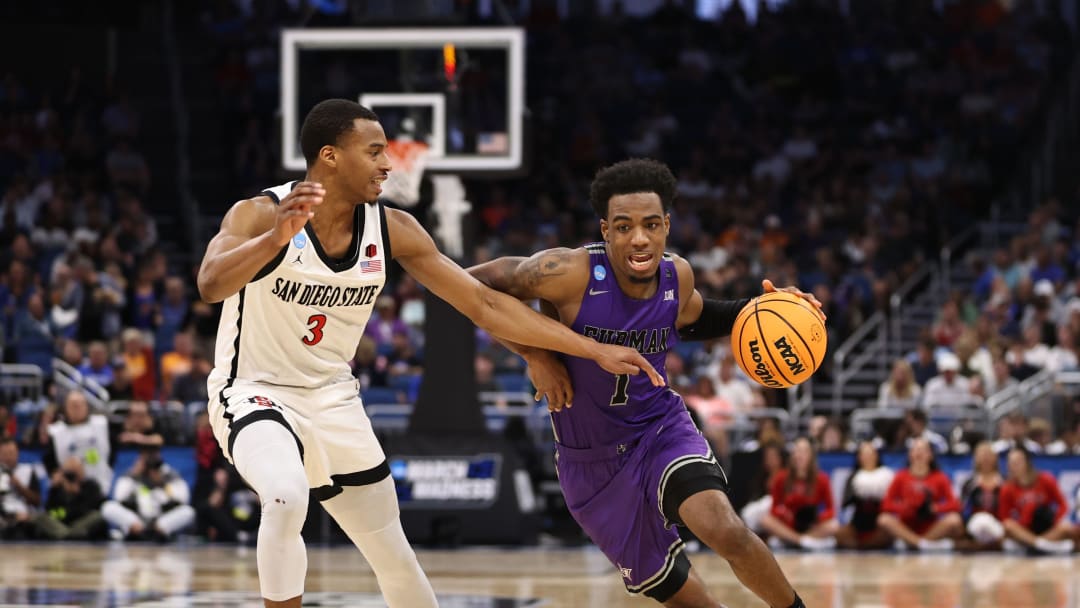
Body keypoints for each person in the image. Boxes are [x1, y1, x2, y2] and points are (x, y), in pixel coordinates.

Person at [195, 99, 662, 608]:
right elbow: (210, 284)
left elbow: (481, 301)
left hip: (332, 399)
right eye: (373, 152)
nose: (388, 164)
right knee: (285, 497)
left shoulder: (394, 229)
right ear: (329, 156)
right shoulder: (259, 213)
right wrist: (274, 240)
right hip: (253, 391)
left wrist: (588, 350)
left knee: (393, 554)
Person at [467, 159, 818, 607]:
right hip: (589, 462)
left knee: (725, 529)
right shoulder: (566, 272)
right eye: (624, 226)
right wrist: (535, 355)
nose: (639, 238)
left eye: (651, 225)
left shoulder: (677, 276)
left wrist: (773, 307)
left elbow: (698, 317)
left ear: (666, 227)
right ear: (605, 230)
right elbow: (473, 288)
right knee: (686, 598)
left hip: (659, 430)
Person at [878, 438, 963, 551]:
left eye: (923, 450)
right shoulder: (901, 476)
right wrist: (902, 508)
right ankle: (921, 544)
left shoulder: (940, 477)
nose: (919, 453)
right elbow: (886, 504)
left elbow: (955, 504)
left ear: (930, 455)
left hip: (931, 526)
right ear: (910, 454)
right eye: (916, 449)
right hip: (906, 525)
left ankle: (914, 543)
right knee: (884, 519)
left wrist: (936, 508)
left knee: (954, 519)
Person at [759, 437, 838, 551]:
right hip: (788, 523)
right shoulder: (781, 478)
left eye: (804, 451)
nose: (800, 455)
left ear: (811, 455)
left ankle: (791, 541)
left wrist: (819, 518)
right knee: (765, 520)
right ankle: (802, 541)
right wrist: (785, 514)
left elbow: (831, 509)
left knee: (833, 525)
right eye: (797, 451)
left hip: (811, 525)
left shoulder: (822, 479)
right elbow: (774, 508)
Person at [102, 447, 195, 541]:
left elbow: (183, 499)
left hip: (161, 518)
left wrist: (162, 484)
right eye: (146, 455)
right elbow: (119, 497)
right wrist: (135, 475)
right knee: (108, 507)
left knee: (188, 512)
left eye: (153, 454)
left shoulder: (168, 473)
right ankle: (139, 531)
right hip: (138, 518)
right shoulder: (132, 473)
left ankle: (158, 531)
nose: (150, 458)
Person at [998, 446, 1076, 554]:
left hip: (1047, 528)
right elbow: (1005, 517)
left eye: (1017, 462)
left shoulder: (1045, 479)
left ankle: (1033, 546)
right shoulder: (1007, 488)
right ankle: (1043, 546)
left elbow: (1063, 504)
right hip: (1024, 530)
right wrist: (1022, 522)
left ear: (1027, 462)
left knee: (1066, 528)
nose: (1014, 466)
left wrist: (1056, 520)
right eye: (1011, 463)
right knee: (1008, 526)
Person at [836, 440, 894, 550]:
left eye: (870, 453)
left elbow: (892, 502)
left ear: (877, 456)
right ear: (859, 457)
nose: (868, 457)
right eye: (864, 454)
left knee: (888, 533)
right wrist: (857, 497)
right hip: (858, 522)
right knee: (839, 534)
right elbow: (845, 504)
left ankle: (864, 546)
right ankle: (862, 546)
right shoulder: (853, 476)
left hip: (878, 522)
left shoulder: (886, 475)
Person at [959, 440, 1004, 550]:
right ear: (976, 458)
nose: (985, 459)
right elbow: (963, 509)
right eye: (982, 455)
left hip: (998, 523)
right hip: (975, 523)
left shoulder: (1004, 481)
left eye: (988, 455)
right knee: (981, 523)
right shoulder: (969, 483)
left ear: (995, 458)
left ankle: (985, 544)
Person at [0, 436, 41, 539]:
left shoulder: (28, 471)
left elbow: (36, 501)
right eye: (5, 454)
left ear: (18, 453)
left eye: (11, 453)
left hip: (23, 517)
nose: (8, 457)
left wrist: (19, 486)